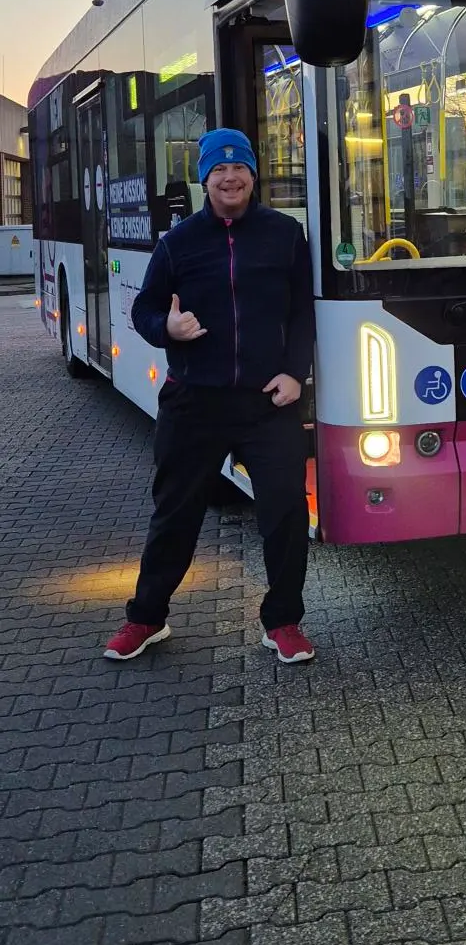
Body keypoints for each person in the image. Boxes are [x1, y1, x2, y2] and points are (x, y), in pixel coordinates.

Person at [104, 127, 316, 665]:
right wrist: (166, 329)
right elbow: (145, 309)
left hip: (267, 403)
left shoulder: (285, 235)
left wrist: (296, 374)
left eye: (239, 168)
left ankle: (283, 622)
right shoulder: (178, 243)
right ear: (205, 178)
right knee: (175, 513)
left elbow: (303, 312)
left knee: (286, 513)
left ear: (252, 174)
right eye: (218, 170)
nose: (230, 178)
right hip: (193, 401)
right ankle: (146, 618)